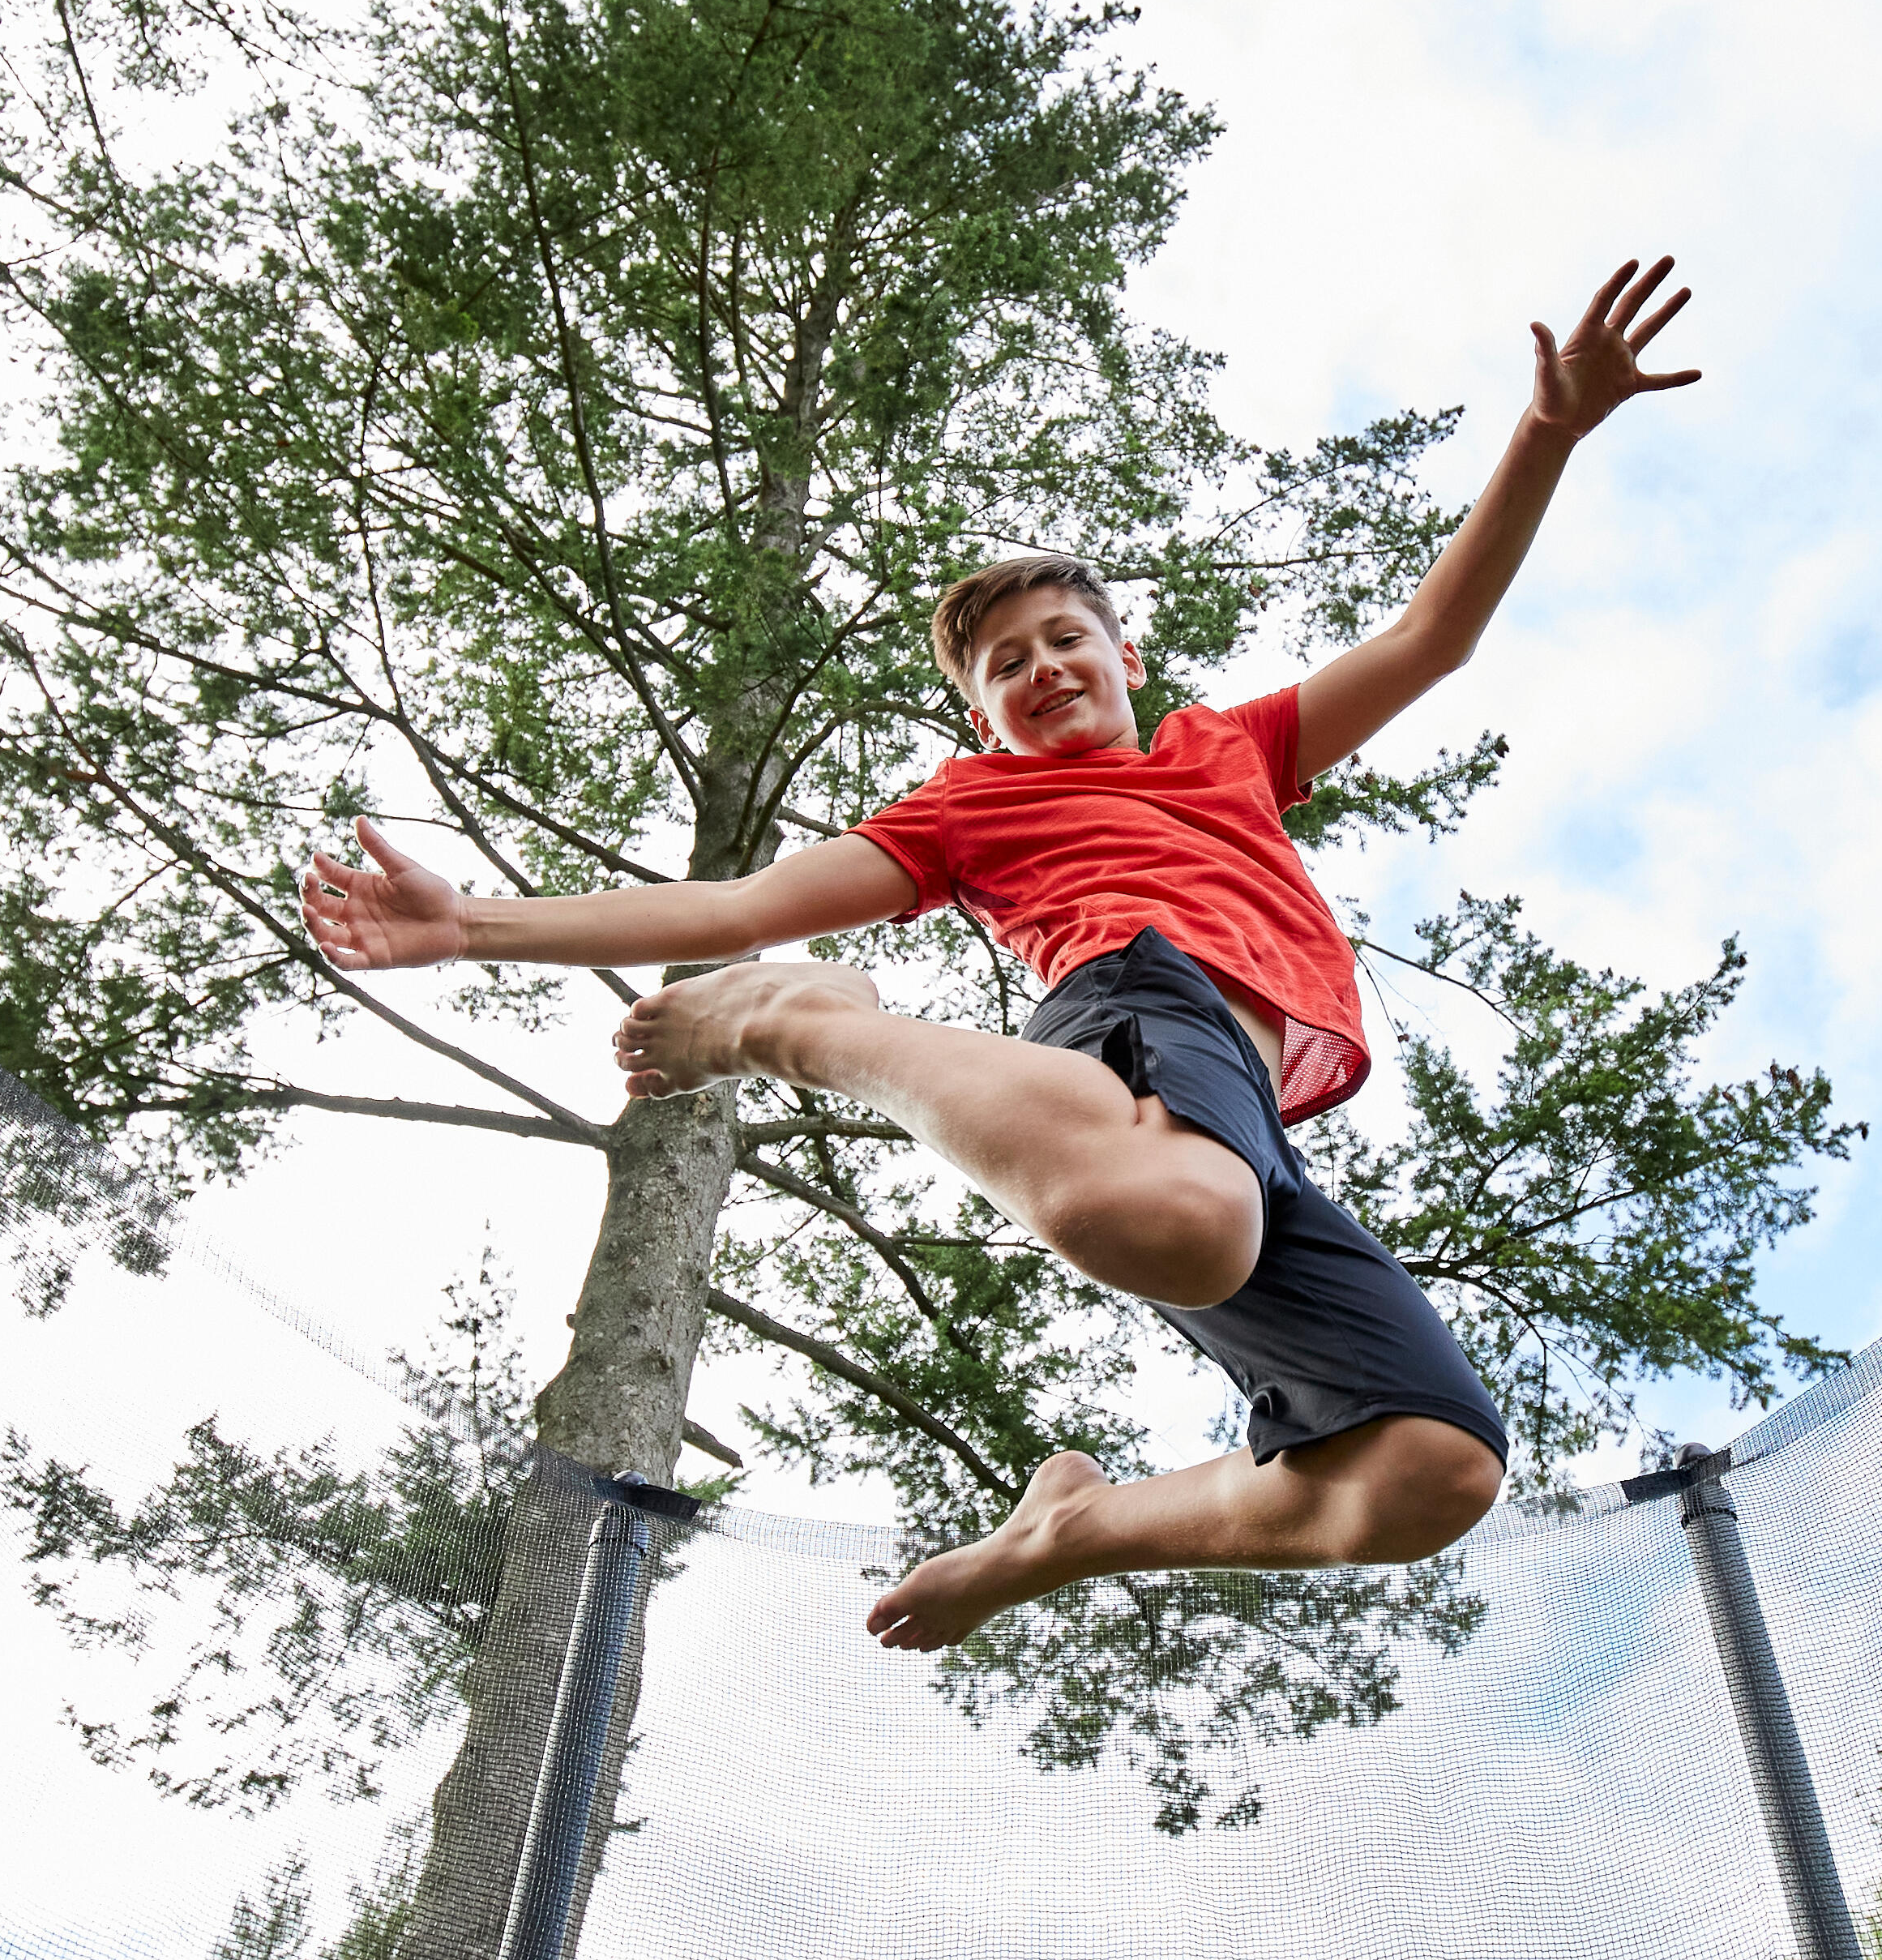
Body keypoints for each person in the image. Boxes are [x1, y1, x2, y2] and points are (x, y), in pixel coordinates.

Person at [300, 258, 1699, 1651]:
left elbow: (1430, 636)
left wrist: (1546, 433)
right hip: (1139, 1008)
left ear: (1124, 653)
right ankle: (803, 1024)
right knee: (1186, 1224)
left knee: (1426, 1468)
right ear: (982, 717)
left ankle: (1075, 1530)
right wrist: (471, 926)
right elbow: (740, 906)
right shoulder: (974, 805)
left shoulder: (1233, 750)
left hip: (1238, 1122)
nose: (1042, 667)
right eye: (1004, 666)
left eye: (1064, 637)